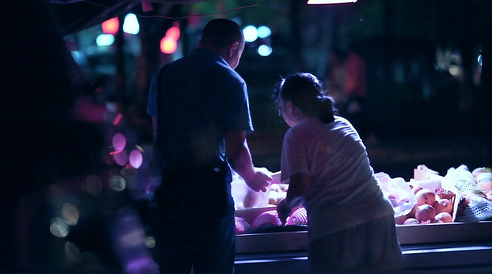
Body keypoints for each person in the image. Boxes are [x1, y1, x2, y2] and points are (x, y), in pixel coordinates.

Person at [146, 18, 272, 274]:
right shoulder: (231, 81)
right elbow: (235, 149)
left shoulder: (164, 75)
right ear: (233, 47)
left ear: (202, 41)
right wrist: (251, 176)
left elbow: (157, 132)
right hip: (208, 197)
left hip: (168, 193)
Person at [274, 73, 402, 273]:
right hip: (378, 217)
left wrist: (285, 205)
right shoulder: (343, 123)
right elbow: (328, 167)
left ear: (289, 106)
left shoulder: (295, 134)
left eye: (281, 107)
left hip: (338, 228)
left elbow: (300, 186)